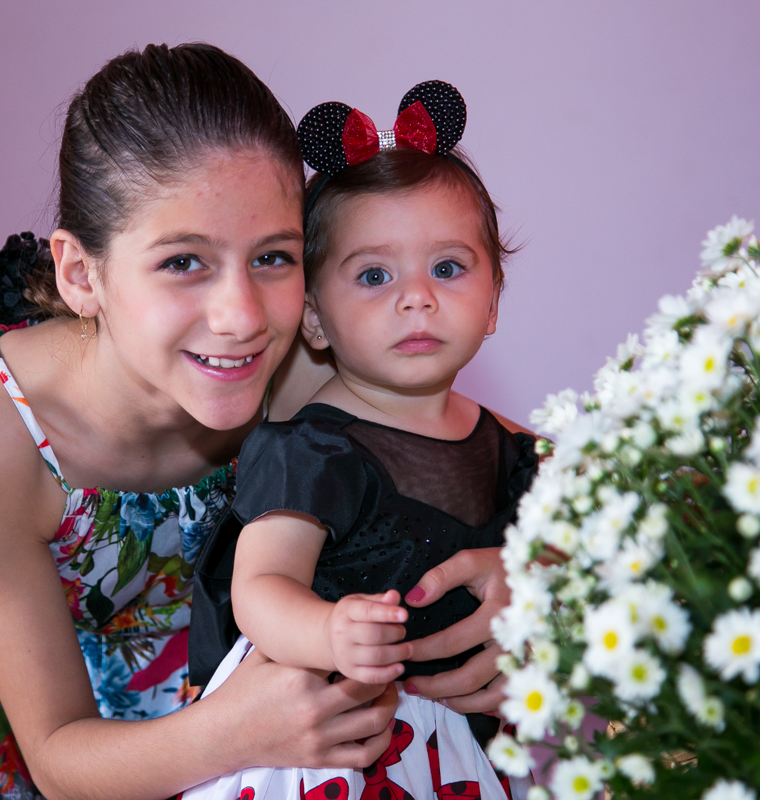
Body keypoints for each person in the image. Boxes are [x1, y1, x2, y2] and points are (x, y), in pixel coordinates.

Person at [0, 46, 515, 800]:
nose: (241, 317)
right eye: (184, 262)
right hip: (57, 742)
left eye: (273, 257)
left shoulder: (297, 359)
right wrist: (232, 731)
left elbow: (508, 455)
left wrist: (528, 568)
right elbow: (58, 762)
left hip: (255, 706)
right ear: (82, 274)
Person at [183, 82, 537, 800]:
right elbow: (260, 588)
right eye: (374, 275)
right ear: (314, 318)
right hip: (336, 735)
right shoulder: (311, 450)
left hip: (463, 744)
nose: (417, 296)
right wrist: (327, 632)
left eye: (448, 268)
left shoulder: (506, 447)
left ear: (494, 300)